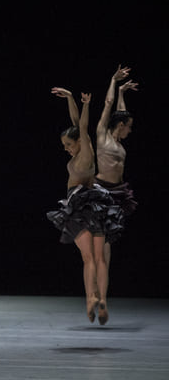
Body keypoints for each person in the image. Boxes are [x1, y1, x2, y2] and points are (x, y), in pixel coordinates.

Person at [46, 87, 123, 325]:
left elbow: (82, 125)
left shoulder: (85, 152)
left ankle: (91, 297)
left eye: (68, 144)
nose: (66, 148)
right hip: (96, 205)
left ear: (80, 141)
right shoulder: (84, 148)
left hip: (80, 205)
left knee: (88, 258)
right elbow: (76, 123)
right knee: (100, 258)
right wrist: (70, 99)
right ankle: (102, 302)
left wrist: (87, 105)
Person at [95, 66, 137, 270]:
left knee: (109, 239)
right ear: (121, 125)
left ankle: (102, 282)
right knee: (102, 239)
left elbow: (121, 112)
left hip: (118, 191)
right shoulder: (102, 136)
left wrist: (122, 92)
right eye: (129, 126)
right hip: (102, 189)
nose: (130, 130)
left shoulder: (119, 143)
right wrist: (113, 81)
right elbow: (108, 104)